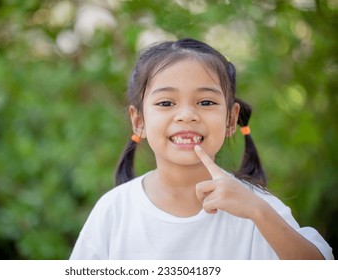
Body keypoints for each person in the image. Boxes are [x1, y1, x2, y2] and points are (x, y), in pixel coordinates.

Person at [70, 38, 333, 260]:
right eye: (165, 103)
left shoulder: (257, 208)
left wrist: (257, 212)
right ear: (139, 121)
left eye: (206, 102)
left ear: (231, 119)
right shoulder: (115, 210)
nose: (186, 115)